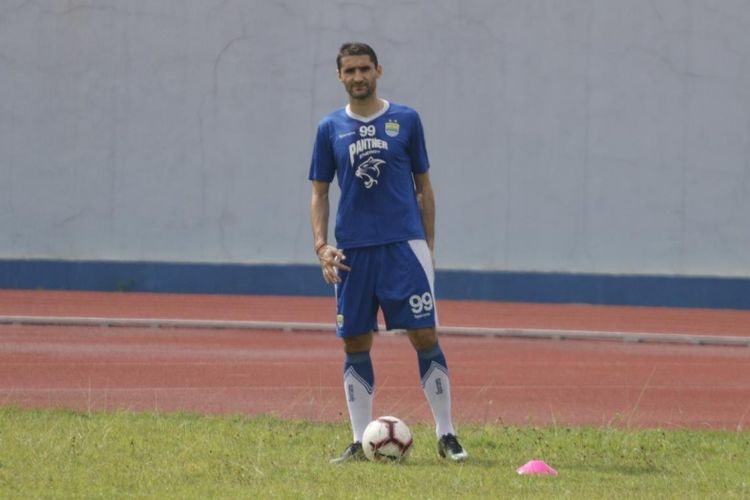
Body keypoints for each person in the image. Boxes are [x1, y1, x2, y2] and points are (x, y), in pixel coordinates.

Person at [308, 42, 467, 463]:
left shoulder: (406, 120)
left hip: (403, 246)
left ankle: (447, 434)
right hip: (353, 252)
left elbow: (424, 187)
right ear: (339, 77)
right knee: (355, 342)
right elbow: (319, 193)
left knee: (425, 336)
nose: (358, 76)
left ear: (378, 70)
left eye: (364, 68)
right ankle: (361, 440)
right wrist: (321, 246)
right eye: (349, 71)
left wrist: (427, 246)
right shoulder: (329, 129)